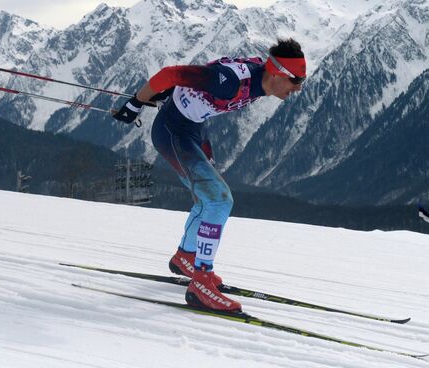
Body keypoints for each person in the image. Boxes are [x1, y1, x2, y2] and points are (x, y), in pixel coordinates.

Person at [112, 38, 306, 313]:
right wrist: (135, 105)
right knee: (219, 200)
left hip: (192, 128)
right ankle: (201, 283)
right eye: (295, 80)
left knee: (208, 198)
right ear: (276, 72)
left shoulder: (260, 75)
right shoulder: (229, 82)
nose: (298, 88)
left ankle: (185, 257)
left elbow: (198, 82)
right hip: (173, 132)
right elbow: (169, 74)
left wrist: (175, 93)